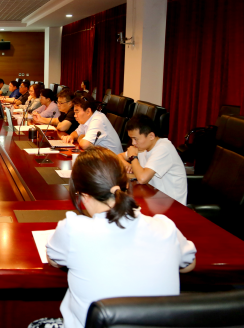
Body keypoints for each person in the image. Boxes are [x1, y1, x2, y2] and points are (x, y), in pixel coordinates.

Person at [29, 147, 196, 328]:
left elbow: (53, 260)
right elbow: (189, 264)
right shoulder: (165, 227)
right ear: (126, 186)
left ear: (84, 195)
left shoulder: (73, 229)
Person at [120, 115, 188, 205]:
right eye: (131, 139)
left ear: (151, 136)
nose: (133, 143)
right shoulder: (142, 147)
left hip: (172, 205)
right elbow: (117, 157)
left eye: (135, 139)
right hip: (153, 197)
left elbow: (142, 179)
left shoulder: (163, 148)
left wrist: (133, 157)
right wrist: (128, 165)